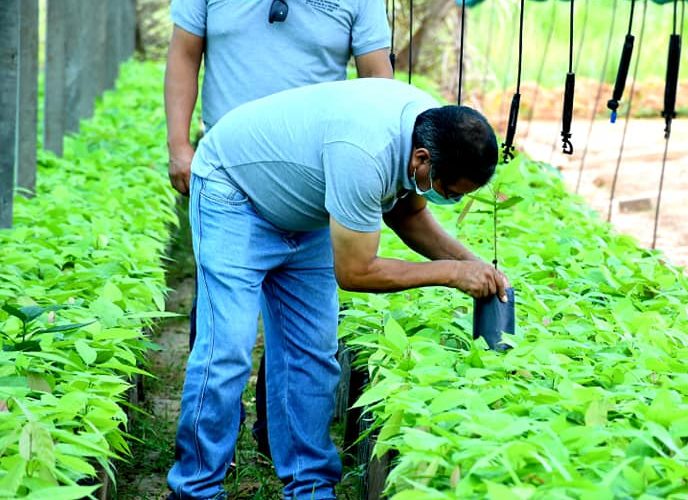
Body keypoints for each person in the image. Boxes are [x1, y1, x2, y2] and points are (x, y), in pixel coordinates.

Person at [166, 77, 510, 499]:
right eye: (450, 192)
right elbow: (357, 272)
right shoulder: (366, 153)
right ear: (421, 158)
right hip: (234, 192)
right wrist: (450, 274)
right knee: (228, 348)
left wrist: (472, 264)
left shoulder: (430, 128)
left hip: (308, 206)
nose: (451, 201)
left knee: (312, 355)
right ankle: (196, 488)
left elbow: (409, 216)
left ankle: (309, 487)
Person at [164, 0, 393, 457]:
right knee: (223, 337)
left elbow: (378, 83)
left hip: (310, 180)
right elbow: (185, 53)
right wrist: (179, 144)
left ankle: (282, 444)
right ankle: (209, 459)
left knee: (306, 341)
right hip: (229, 178)